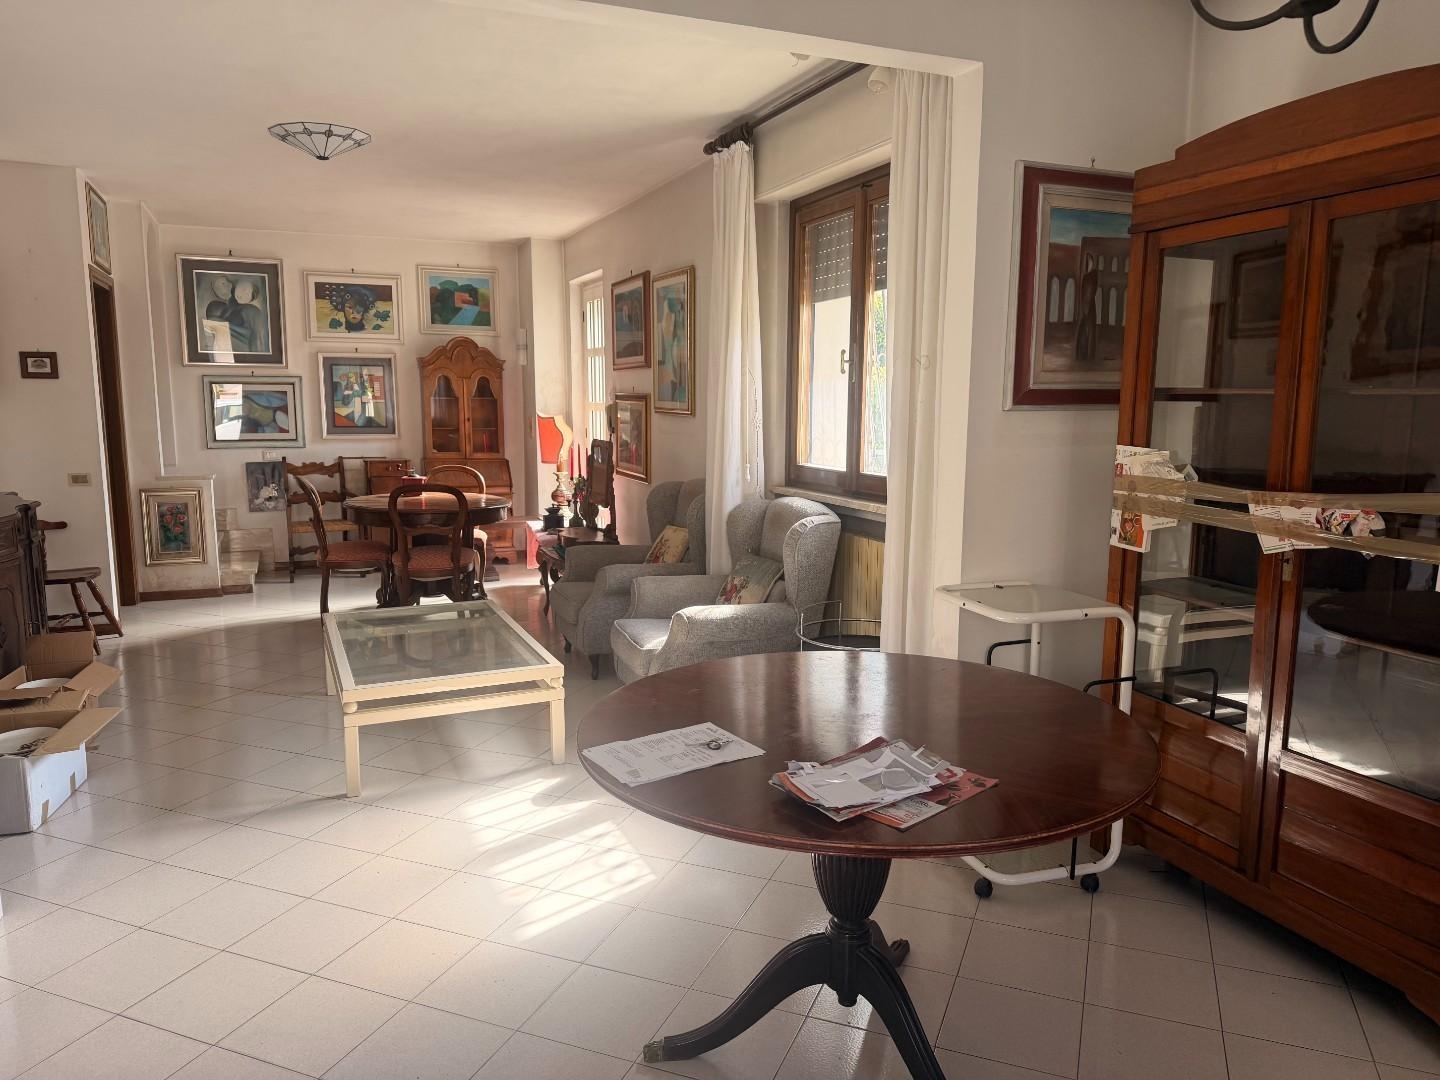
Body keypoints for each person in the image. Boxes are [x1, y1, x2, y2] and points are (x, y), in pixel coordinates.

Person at [230, 279, 269, 353]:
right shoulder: (233, 305)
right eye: (243, 288)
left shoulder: (251, 311)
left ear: (251, 299)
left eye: (247, 294)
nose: (242, 294)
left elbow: (257, 338)